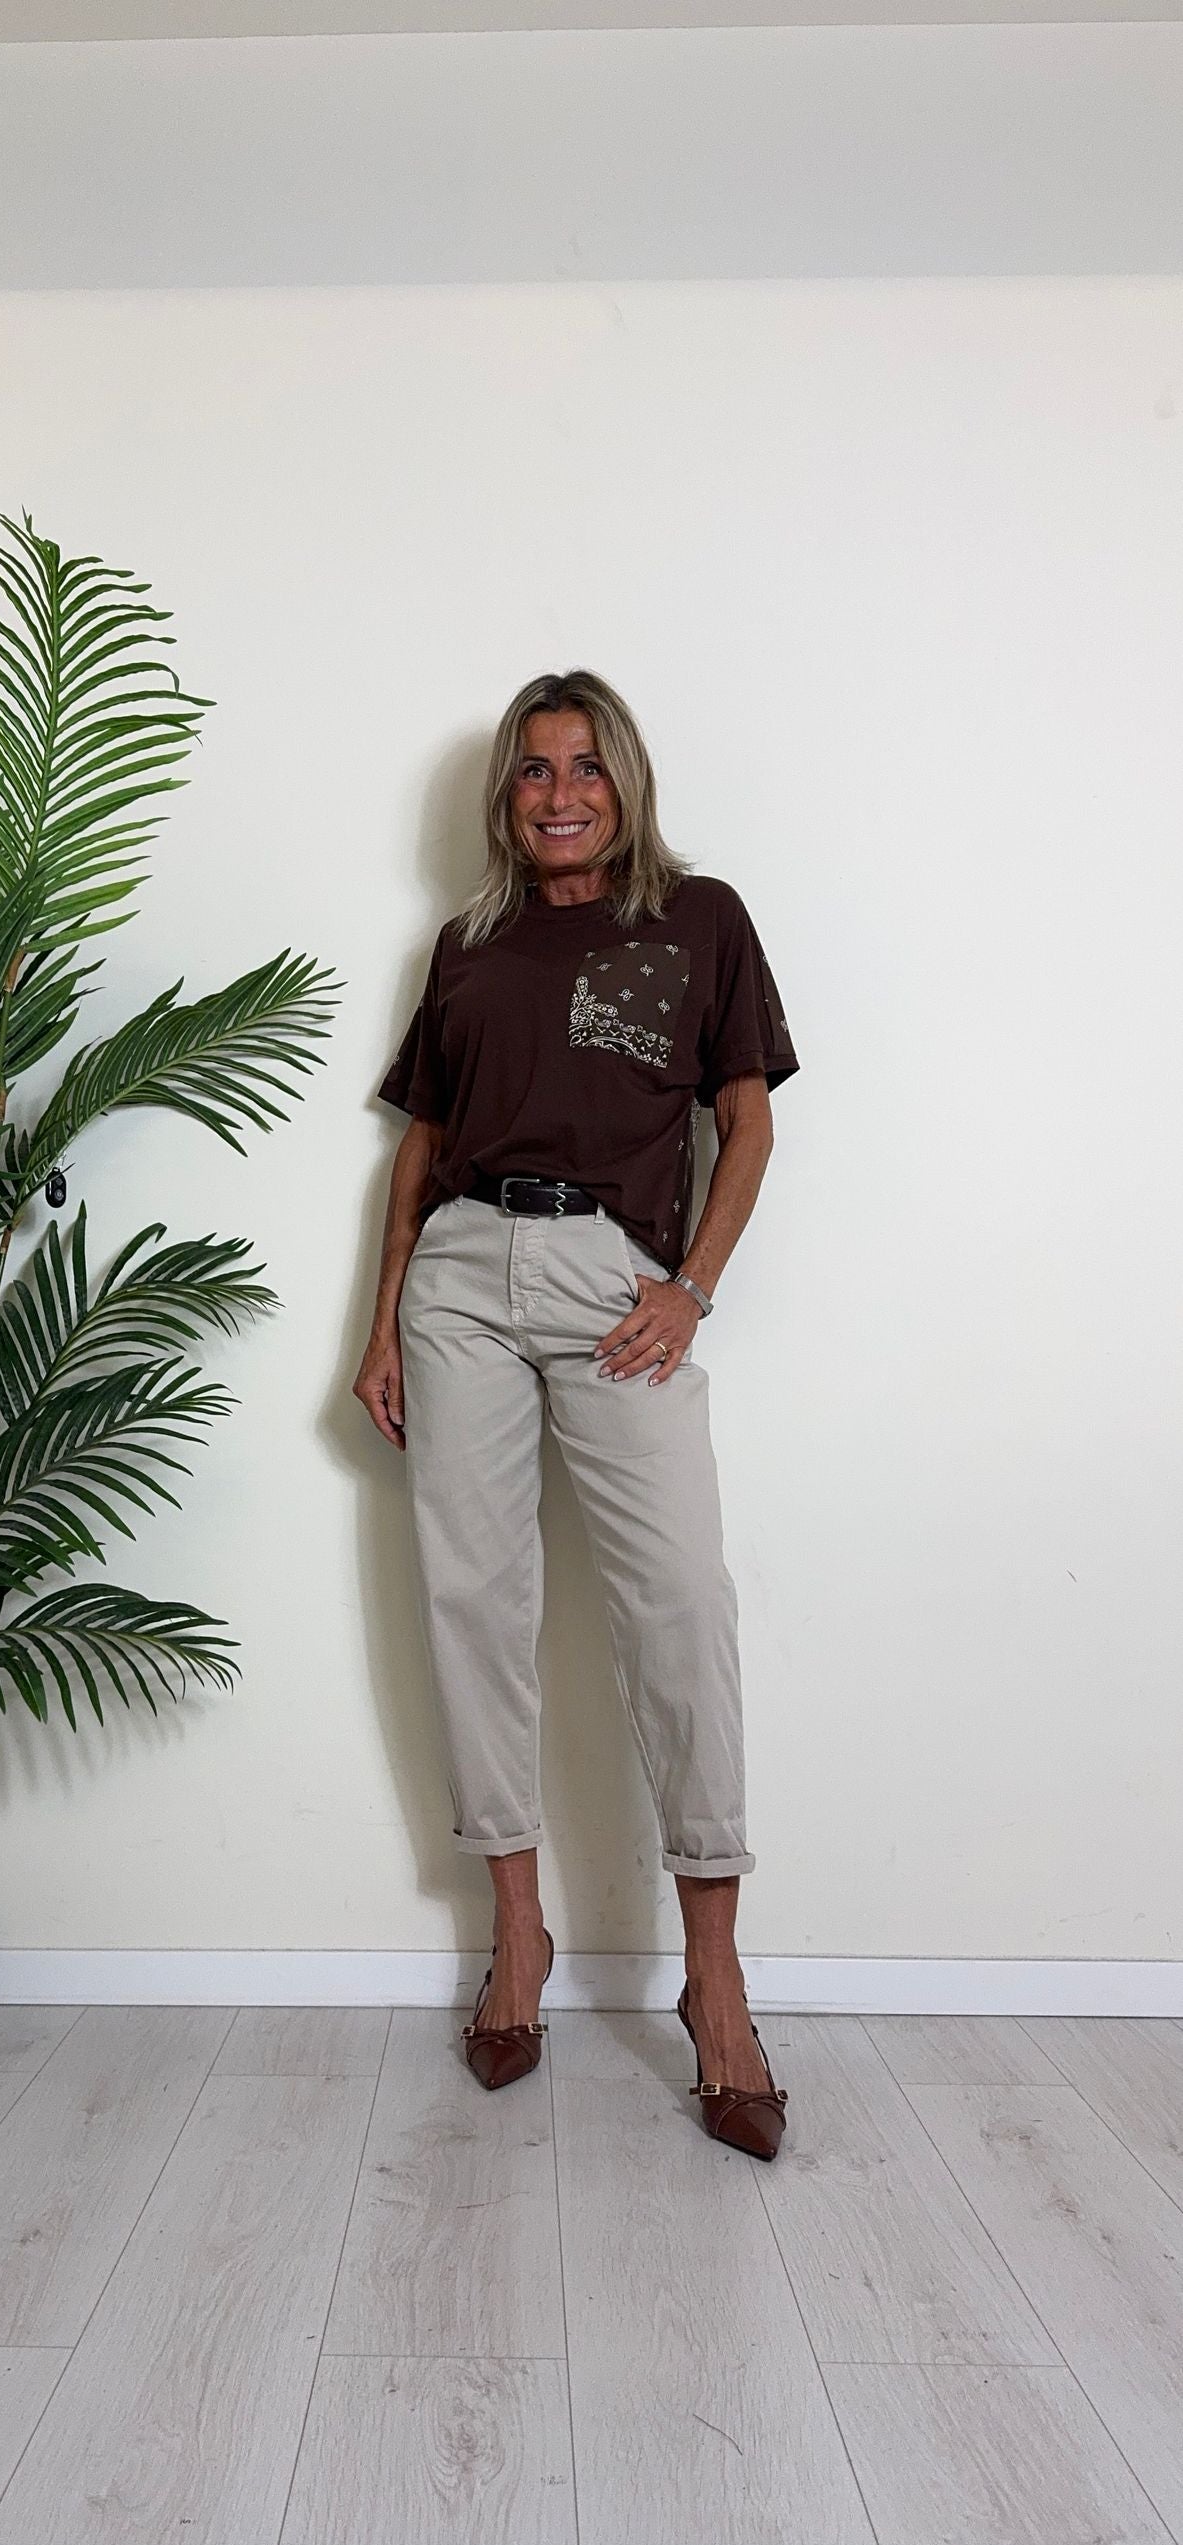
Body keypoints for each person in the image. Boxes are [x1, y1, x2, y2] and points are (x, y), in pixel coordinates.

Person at [354, 671, 798, 2159]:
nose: (561, 793)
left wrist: (693, 1289)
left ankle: (716, 1979)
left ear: (627, 784)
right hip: (463, 1276)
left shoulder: (699, 920)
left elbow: (748, 1121)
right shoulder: (468, 942)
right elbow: (422, 1146)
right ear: (508, 792)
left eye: (587, 767)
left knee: (680, 1601)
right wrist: (383, 1322)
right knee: (476, 1598)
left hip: (618, 1281)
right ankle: (519, 1936)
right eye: (536, 769)